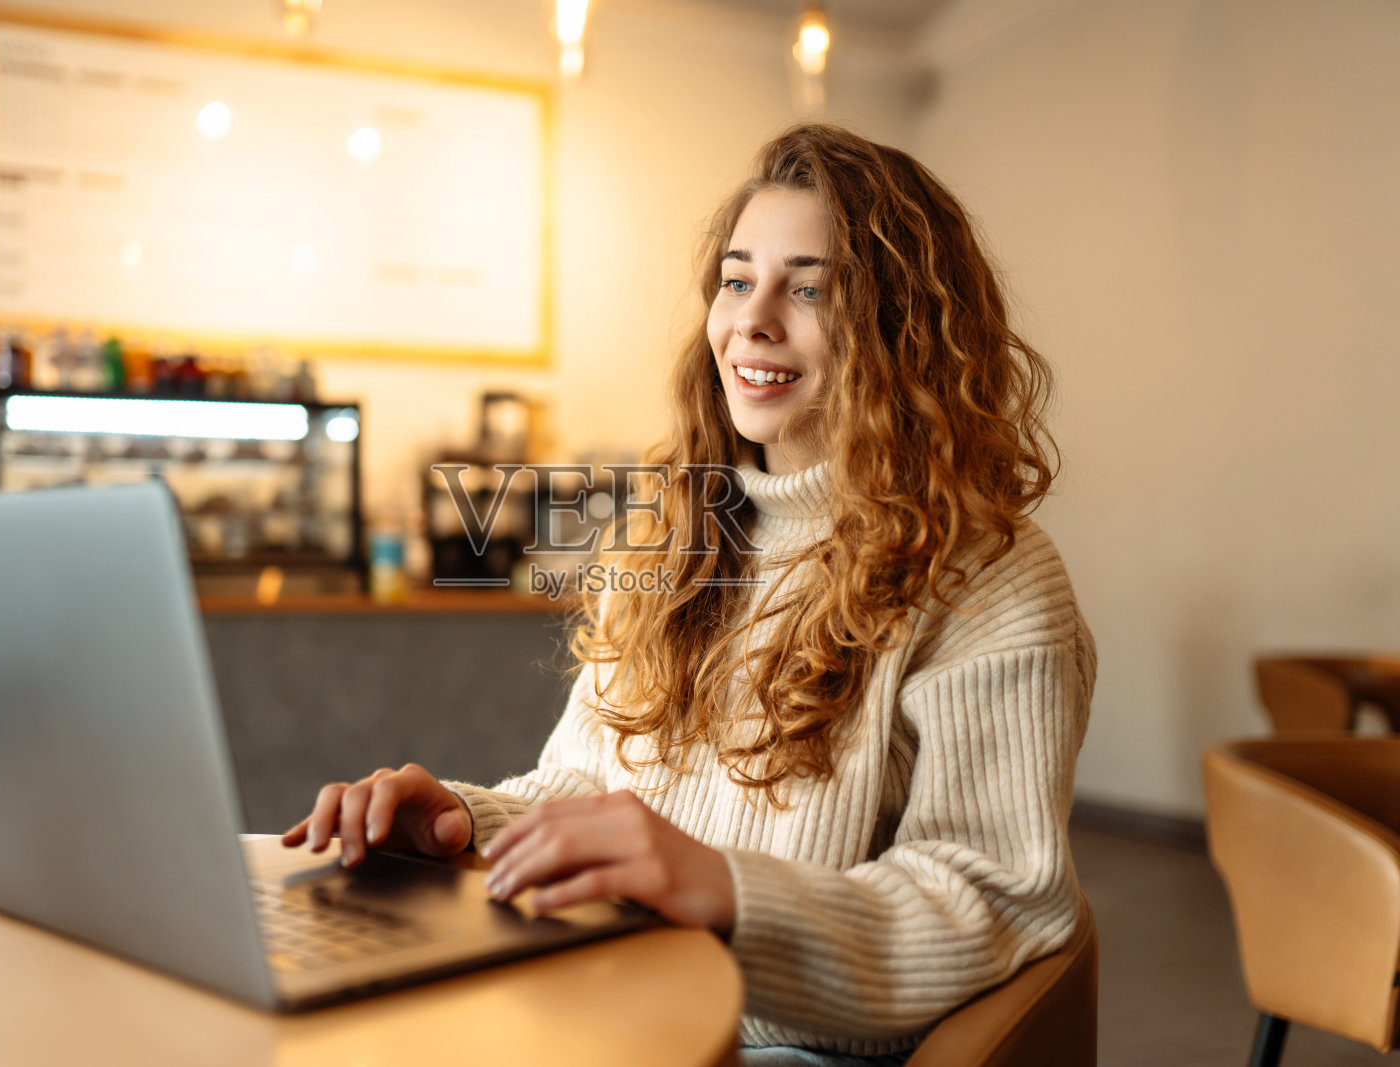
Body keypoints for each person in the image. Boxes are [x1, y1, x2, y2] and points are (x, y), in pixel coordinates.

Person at [282, 123, 1096, 1065]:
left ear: (902, 329)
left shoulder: (991, 574)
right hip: (612, 1000)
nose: (753, 319)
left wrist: (725, 889)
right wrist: (463, 823)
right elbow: (587, 785)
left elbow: (990, 900)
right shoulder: (673, 529)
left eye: (812, 288)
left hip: (783, 1047)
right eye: (739, 279)